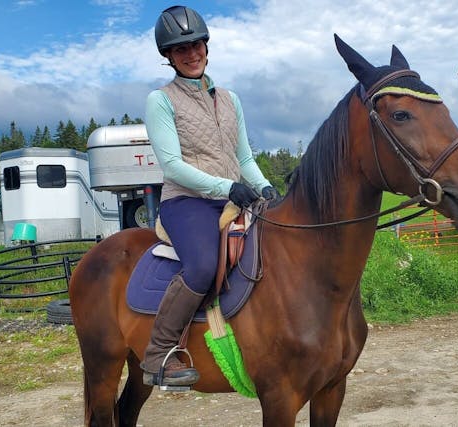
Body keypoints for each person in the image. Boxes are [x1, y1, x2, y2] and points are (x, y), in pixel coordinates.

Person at [140, 5, 280, 388]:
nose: (190, 53)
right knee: (202, 265)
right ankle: (159, 354)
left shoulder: (230, 99)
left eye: (195, 44)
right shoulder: (161, 100)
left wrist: (264, 188)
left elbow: (244, 158)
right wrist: (226, 187)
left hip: (232, 196)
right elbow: (172, 166)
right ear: (168, 56)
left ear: (206, 46)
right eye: (179, 49)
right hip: (186, 202)